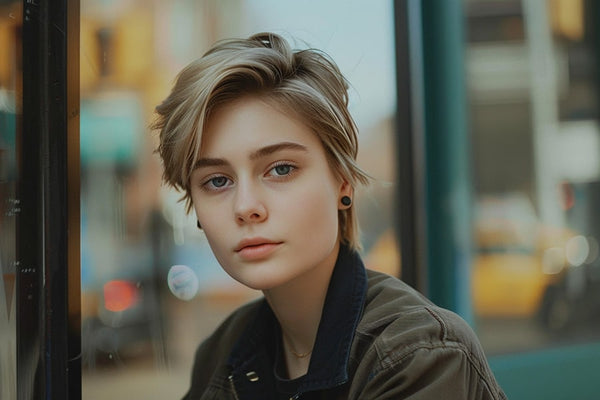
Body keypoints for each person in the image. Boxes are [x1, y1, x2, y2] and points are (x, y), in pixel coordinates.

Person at [153, 32, 506, 400]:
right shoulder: (221, 352)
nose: (245, 207)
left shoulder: (420, 353)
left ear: (343, 182)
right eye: (218, 180)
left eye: (281, 169)